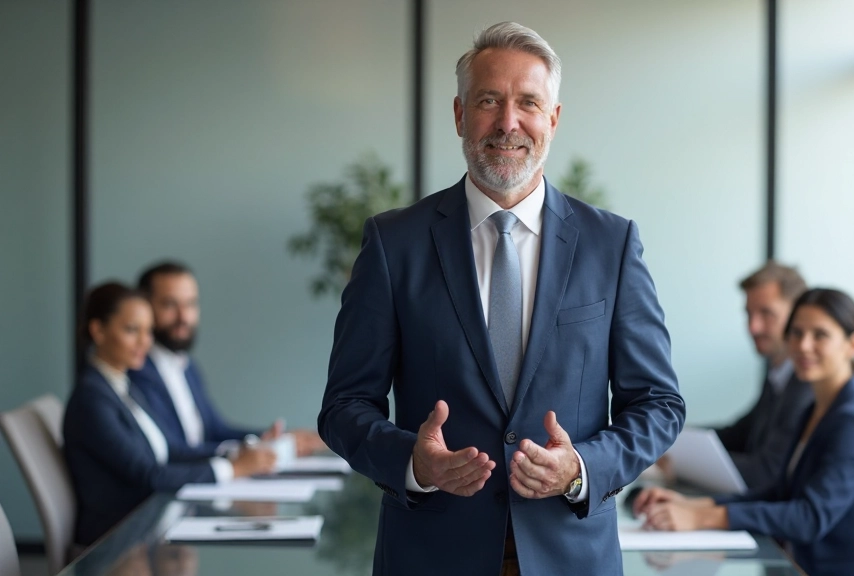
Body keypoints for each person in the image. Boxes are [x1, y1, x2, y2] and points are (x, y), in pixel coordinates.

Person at [318, 21, 685, 576]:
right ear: (461, 114)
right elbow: (344, 407)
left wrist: (582, 466)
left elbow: (659, 403)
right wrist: (413, 462)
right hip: (431, 556)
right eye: (489, 101)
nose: (508, 122)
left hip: (572, 555)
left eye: (528, 103)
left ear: (553, 120)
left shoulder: (612, 244)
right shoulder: (394, 244)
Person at [633, 288, 854, 576]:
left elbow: (810, 517)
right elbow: (781, 492)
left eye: (820, 335)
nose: (803, 345)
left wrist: (703, 517)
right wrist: (697, 503)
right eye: (796, 333)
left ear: (853, 344)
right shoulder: (819, 408)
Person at [64, 282, 276, 546]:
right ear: (98, 331)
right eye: (132, 330)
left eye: (148, 331)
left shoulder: (123, 387)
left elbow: (170, 450)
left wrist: (236, 453)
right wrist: (231, 469)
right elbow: (149, 475)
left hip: (149, 526)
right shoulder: (92, 400)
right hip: (116, 539)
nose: (145, 342)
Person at [129, 261, 324, 458]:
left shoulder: (187, 367)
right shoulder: (135, 371)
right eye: (170, 304)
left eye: (190, 304)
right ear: (144, 307)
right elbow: (170, 450)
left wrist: (271, 439)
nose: (183, 316)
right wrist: (245, 453)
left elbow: (215, 431)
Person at [712, 261, 814, 491]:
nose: (753, 328)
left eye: (766, 314)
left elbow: (766, 473)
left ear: (799, 315)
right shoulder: (779, 376)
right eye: (749, 314)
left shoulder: (806, 387)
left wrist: (684, 463)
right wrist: (671, 439)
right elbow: (739, 434)